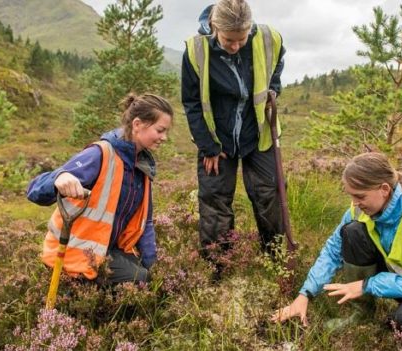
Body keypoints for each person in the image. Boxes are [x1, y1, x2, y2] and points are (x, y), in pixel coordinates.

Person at [271, 152, 402, 350]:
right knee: (352, 232)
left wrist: (368, 285)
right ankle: (361, 315)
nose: (354, 203)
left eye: (360, 196)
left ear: (384, 189)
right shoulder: (361, 208)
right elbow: (333, 250)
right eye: (351, 195)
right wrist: (305, 294)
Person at [27, 93, 173, 284]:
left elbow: (146, 223)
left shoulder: (142, 166)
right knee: (141, 280)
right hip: (75, 253)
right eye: (160, 130)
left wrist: (152, 264)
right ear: (137, 124)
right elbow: (35, 189)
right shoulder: (100, 154)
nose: (164, 137)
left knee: (151, 278)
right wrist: (59, 178)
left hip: (107, 251)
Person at [181, 0, 286, 260]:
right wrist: (208, 146)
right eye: (229, 39)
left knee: (269, 193)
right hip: (217, 139)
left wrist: (274, 87)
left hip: (259, 133)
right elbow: (192, 102)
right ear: (215, 26)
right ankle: (218, 264)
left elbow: (277, 63)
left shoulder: (269, 38)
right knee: (215, 199)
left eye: (241, 39)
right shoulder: (196, 50)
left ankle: (274, 257)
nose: (236, 45)